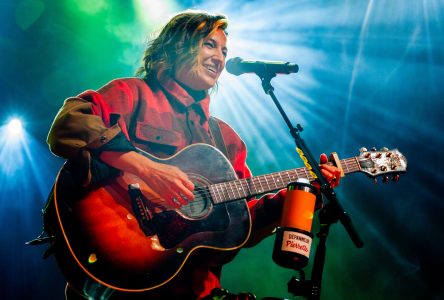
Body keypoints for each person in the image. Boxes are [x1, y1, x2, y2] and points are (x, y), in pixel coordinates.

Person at [42, 9, 341, 300]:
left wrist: (304, 194)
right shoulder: (134, 93)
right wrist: (145, 168)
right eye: (209, 44)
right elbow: (70, 123)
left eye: (224, 51)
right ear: (176, 46)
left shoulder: (227, 139)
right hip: (122, 284)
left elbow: (241, 226)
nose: (220, 58)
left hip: (197, 290)